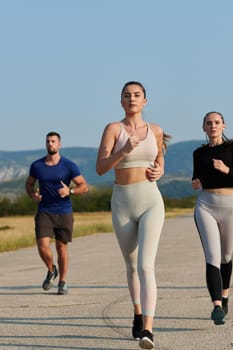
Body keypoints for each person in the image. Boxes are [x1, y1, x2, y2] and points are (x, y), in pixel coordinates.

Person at [96, 81, 169, 349]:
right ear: (121, 102)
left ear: (145, 101)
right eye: (127, 96)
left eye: (137, 95)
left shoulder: (156, 130)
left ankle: (148, 329)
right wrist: (124, 150)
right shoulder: (113, 129)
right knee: (131, 264)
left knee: (146, 266)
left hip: (151, 200)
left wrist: (160, 170)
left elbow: (159, 159)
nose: (132, 99)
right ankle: (137, 313)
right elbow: (101, 168)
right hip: (122, 202)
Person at [191, 111, 233, 325]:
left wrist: (227, 169)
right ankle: (217, 305)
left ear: (224, 126)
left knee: (226, 256)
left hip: (230, 206)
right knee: (212, 256)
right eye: (209, 123)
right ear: (204, 128)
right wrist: (196, 183)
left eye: (217, 122)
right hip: (205, 205)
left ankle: (225, 295)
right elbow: (197, 177)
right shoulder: (198, 153)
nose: (213, 126)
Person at [25, 131, 89, 295]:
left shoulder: (69, 165)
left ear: (59, 144)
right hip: (44, 210)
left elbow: (84, 186)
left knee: (61, 247)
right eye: (48, 141)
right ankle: (51, 268)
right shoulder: (37, 165)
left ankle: (63, 282)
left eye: (53, 141)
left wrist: (71, 191)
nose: (50, 144)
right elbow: (29, 184)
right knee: (42, 246)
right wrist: (33, 195)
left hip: (64, 211)